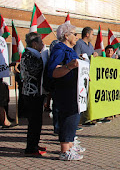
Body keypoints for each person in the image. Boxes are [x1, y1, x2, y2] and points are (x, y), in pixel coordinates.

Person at [48, 23, 85, 161]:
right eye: (75, 34)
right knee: (67, 119)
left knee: (74, 118)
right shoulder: (59, 50)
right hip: (65, 92)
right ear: (66, 35)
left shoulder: (71, 50)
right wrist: (69, 66)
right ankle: (64, 150)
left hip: (74, 90)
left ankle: (70, 145)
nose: (77, 37)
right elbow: (53, 72)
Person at [20, 32, 47, 156]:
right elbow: (34, 70)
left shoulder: (33, 54)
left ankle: (34, 144)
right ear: (34, 44)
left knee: (37, 121)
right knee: (34, 122)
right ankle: (31, 148)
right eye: (41, 42)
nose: (43, 44)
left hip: (36, 93)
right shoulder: (29, 55)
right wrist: (44, 60)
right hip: (31, 94)